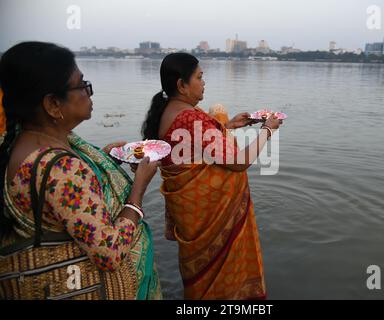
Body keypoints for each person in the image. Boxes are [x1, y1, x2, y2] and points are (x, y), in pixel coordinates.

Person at [0, 42, 162, 299]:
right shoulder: (61, 168)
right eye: (81, 85)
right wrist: (138, 190)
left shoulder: (21, 143)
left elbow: (66, 199)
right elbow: (109, 252)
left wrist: (105, 158)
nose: (89, 92)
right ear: (53, 104)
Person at [141, 52, 282, 299]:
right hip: (211, 222)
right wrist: (267, 131)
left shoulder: (170, 112)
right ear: (181, 85)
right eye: (199, 77)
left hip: (192, 220)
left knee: (200, 282)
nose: (203, 82)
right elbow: (239, 162)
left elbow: (189, 146)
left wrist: (229, 127)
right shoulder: (190, 116)